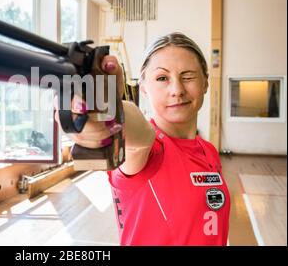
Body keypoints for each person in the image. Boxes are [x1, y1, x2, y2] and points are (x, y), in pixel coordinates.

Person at [56, 32, 230, 246]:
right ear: (144, 87)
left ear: (205, 83)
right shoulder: (148, 149)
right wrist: (104, 106)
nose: (177, 90)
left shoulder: (209, 150)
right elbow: (134, 130)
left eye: (188, 76)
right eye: (162, 78)